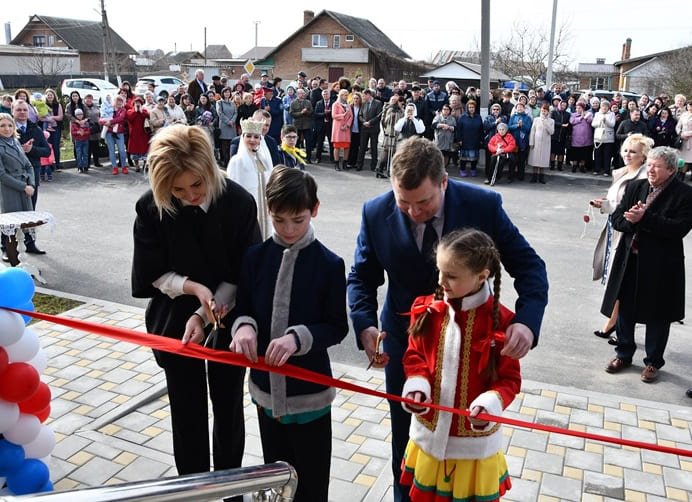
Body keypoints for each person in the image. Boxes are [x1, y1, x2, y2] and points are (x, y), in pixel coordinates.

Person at [347, 136, 548, 502]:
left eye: (423, 202)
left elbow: (530, 267)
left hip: (474, 350)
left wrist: (526, 322)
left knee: (465, 444)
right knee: (406, 442)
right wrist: (365, 325)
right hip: (407, 346)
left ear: (443, 182)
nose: (412, 212)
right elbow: (361, 277)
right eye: (402, 201)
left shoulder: (482, 205)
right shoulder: (375, 212)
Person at [132, 125, 261, 488]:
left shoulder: (238, 202)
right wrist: (193, 288)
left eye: (197, 185)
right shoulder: (150, 206)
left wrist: (205, 311)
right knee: (185, 407)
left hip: (229, 311)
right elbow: (152, 273)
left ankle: (228, 484)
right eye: (177, 189)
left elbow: (243, 271)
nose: (189, 196)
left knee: (228, 402)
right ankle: (189, 489)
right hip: (173, 313)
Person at [230, 166, 348, 502]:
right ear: (269, 211)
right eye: (280, 220)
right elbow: (244, 308)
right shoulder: (255, 258)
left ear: (315, 210)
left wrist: (298, 338)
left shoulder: (329, 264)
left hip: (309, 392)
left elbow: (337, 326)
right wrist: (245, 329)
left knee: (311, 487)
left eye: (298, 219)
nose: (289, 228)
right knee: (276, 479)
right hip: (266, 392)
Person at [400, 228, 521, 502]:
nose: (441, 280)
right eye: (440, 271)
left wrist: (490, 404)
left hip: (472, 451)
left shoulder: (503, 323)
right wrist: (417, 385)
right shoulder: (428, 310)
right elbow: (414, 355)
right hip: (428, 439)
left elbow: (509, 380)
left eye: (452, 276)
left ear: (482, 276)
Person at [602, 146, 692, 383]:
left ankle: (653, 362)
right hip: (630, 258)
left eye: (657, 166)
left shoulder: (684, 194)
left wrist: (645, 218)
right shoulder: (636, 187)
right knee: (626, 308)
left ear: (671, 170)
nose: (650, 170)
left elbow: (679, 229)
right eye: (649, 164)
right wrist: (631, 220)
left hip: (662, 264)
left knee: (658, 314)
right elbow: (617, 218)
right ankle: (623, 353)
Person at [591, 134, 653, 344]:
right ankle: (615, 322)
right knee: (615, 277)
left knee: (621, 278)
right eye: (626, 150)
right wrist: (605, 203)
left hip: (626, 232)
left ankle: (618, 325)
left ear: (643, 156)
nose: (628, 154)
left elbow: (631, 208)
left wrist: (608, 206)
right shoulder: (625, 171)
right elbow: (616, 200)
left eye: (633, 151)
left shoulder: (643, 177)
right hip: (614, 227)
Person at [0, 112, 38, 263]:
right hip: (9, 191)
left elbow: (28, 165)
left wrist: (32, 184)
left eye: (10, 125)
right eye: (2, 125)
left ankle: (23, 264)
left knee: (22, 228)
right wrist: (24, 186)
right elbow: (1, 175)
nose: (7, 129)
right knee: (11, 229)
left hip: (24, 189)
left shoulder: (15, 142)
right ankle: (15, 265)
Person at [227, 117, 275, 239]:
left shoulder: (262, 159)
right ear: (243, 137)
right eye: (248, 136)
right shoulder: (237, 161)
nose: (252, 140)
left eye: (256, 137)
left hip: (264, 206)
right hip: (245, 210)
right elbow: (232, 190)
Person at [376, 96, 404, 179]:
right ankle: (380, 169)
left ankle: (385, 169)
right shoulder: (391, 109)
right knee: (387, 150)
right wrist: (392, 116)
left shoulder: (400, 110)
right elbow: (386, 121)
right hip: (390, 133)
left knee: (391, 152)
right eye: (400, 102)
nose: (402, 104)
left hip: (396, 134)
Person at [527, 104, 555, 184]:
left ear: (548, 112)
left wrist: (546, 122)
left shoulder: (551, 121)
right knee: (535, 160)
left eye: (545, 111)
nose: (543, 112)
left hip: (546, 143)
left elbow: (551, 132)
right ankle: (534, 176)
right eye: (542, 110)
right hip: (536, 142)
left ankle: (541, 177)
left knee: (543, 160)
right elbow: (533, 131)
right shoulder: (536, 119)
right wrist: (531, 142)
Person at [357, 89, 383, 172]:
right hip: (364, 128)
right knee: (362, 147)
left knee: (374, 147)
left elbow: (379, 116)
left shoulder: (378, 103)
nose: (363, 97)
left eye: (364, 95)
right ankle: (359, 165)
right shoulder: (363, 104)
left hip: (374, 129)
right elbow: (360, 115)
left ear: (369, 95)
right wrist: (364, 122)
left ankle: (373, 166)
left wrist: (370, 122)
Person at [455, 100, 483, 178]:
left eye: (473, 107)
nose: (471, 109)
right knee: (463, 157)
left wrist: (481, 139)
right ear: (467, 108)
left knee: (474, 157)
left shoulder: (478, 117)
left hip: (475, 140)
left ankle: (473, 169)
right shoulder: (462, 117)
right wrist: (459, 139)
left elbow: (481, 129)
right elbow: (458, 129)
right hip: (465, 140)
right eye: (470, 107)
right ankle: (462, 169)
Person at [104, 95, 129, 175]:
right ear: (114, 101)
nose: (118, 102)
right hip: (109, 132)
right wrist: (105, 122)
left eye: (120, 101)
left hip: (119, 132)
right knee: (111, 151)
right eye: (117, 100)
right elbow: (102, 118)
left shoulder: (123, 110)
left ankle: (124, 166)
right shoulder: (108, 109)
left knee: (121, 150)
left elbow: (121, 119)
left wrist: (110, 122)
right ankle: (114, 167)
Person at [591, 100, 617, 176]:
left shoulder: (612, 114)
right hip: (598, 137)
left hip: (608, 138)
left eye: (606, 106)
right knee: (597, 154)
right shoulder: (597, 114)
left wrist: (606, 121)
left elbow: (612, 125)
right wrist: (600, 121)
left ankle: (606, 171)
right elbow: (593, 124)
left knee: (607, 155)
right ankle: (597, 169)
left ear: (608, 107)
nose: (604, 108)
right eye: (603, 106)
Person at [508, 102, 532, 181]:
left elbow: (528, 129)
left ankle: (520, 176)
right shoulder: (513, 116)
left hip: (523, 142)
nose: (520, 108)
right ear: (516, 108)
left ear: (524, 108)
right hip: (513, 141)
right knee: (512, 160)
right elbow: (509, 127)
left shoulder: (527, 118)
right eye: (518, 107)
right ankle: (511, 176)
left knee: (521, 160)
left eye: (521, 107)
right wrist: (517, 126)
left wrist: (522, 126)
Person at [126, 97, 150, 173]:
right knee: (134, 151)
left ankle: (145, 165)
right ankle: (137, 165)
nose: (138, 104)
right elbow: (129, 118)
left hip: (143, 134)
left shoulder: (144, 111)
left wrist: (141, 111)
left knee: (145, 150)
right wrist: (136, 111)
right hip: (134, 134)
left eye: (139, 103)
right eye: (136, 103)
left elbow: (148, 116)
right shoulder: (130, 111)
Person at [331, 89, 353, 171]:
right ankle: (336, 164)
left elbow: (351, 116)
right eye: (344, 95)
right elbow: (334, 115)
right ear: (340, 95)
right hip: (338, 128)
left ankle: (345, 163)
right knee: (337, 147)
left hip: (346, 128)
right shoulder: (335, 104)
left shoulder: (348, 105)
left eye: (347, 95)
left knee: (346, 147)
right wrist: (343, 115)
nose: (346, 97)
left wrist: (347, 125)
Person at [289, 88, 313, 163]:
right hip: (297, 125)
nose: (302, 95)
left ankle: (308, 158)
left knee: (309, 142)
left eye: (303, 93)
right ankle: (296, 158)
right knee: (296, 142)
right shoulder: (293, 102)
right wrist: (301, 113)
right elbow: (291, 113)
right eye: (300, 93)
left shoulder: (308, 102)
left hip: (307, 125)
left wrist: (306, 112)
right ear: (297, 94)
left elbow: (311, 112)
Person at [568, 101, 594, 174]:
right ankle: (574, 166)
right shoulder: (573, 115)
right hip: (576, 138)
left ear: (583, 108)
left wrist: (585, 117)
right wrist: (580, 118)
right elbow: (572, 121)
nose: (578, 109)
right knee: (575, 153)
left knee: (584, 153)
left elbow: (591, 122)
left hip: (586, 138)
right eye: (577, 108)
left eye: (580, 108)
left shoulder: (589, 114)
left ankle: (582, 166)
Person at [216, 87, 238, 168]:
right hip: (224, 126)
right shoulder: (219, 102)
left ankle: (231, 163)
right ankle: (226, 162)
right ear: (223, 93)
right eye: (225, 92)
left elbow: (236, 113)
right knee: (224, 146)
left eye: (228, 92)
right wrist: (228, 121)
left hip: (232, 126)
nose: (227, 94)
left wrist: (232, 121)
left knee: (231, 145)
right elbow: (220, 113)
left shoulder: (233, 103)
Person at [549, 97, 570, 171]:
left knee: (561, 153)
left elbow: (568, 124)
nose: (563, 106)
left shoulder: (568, 114)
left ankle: (559, 166)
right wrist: (561, 125)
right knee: (553, 152)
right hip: (554, 135)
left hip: (563, 136)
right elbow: (552, 121)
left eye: (564, 105)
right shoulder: (554, 112)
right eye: (562, 104)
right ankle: (552, 165)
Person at [70, 108, 91, 173]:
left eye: (81, 114)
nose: (80, 116)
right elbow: (73, 132)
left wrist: (84, 133)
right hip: (78, 140)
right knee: (79, 154)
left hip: (85, 140)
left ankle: (85, 166)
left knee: (85, 154)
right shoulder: (74, 124)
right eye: (78, 114)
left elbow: (89, 131)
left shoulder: (86, 123)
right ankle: (80, 167)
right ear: (76, 115)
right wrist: (77, 132)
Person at [675, 101, 692, 180]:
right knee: (682, 159)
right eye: (689, 106)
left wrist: (687, 134)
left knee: (689, 159)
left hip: (690, 140)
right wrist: (681, 134)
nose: (690, 108)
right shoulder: (684, 115)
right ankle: (680, 175)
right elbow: (678, 126)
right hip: (683, 140)